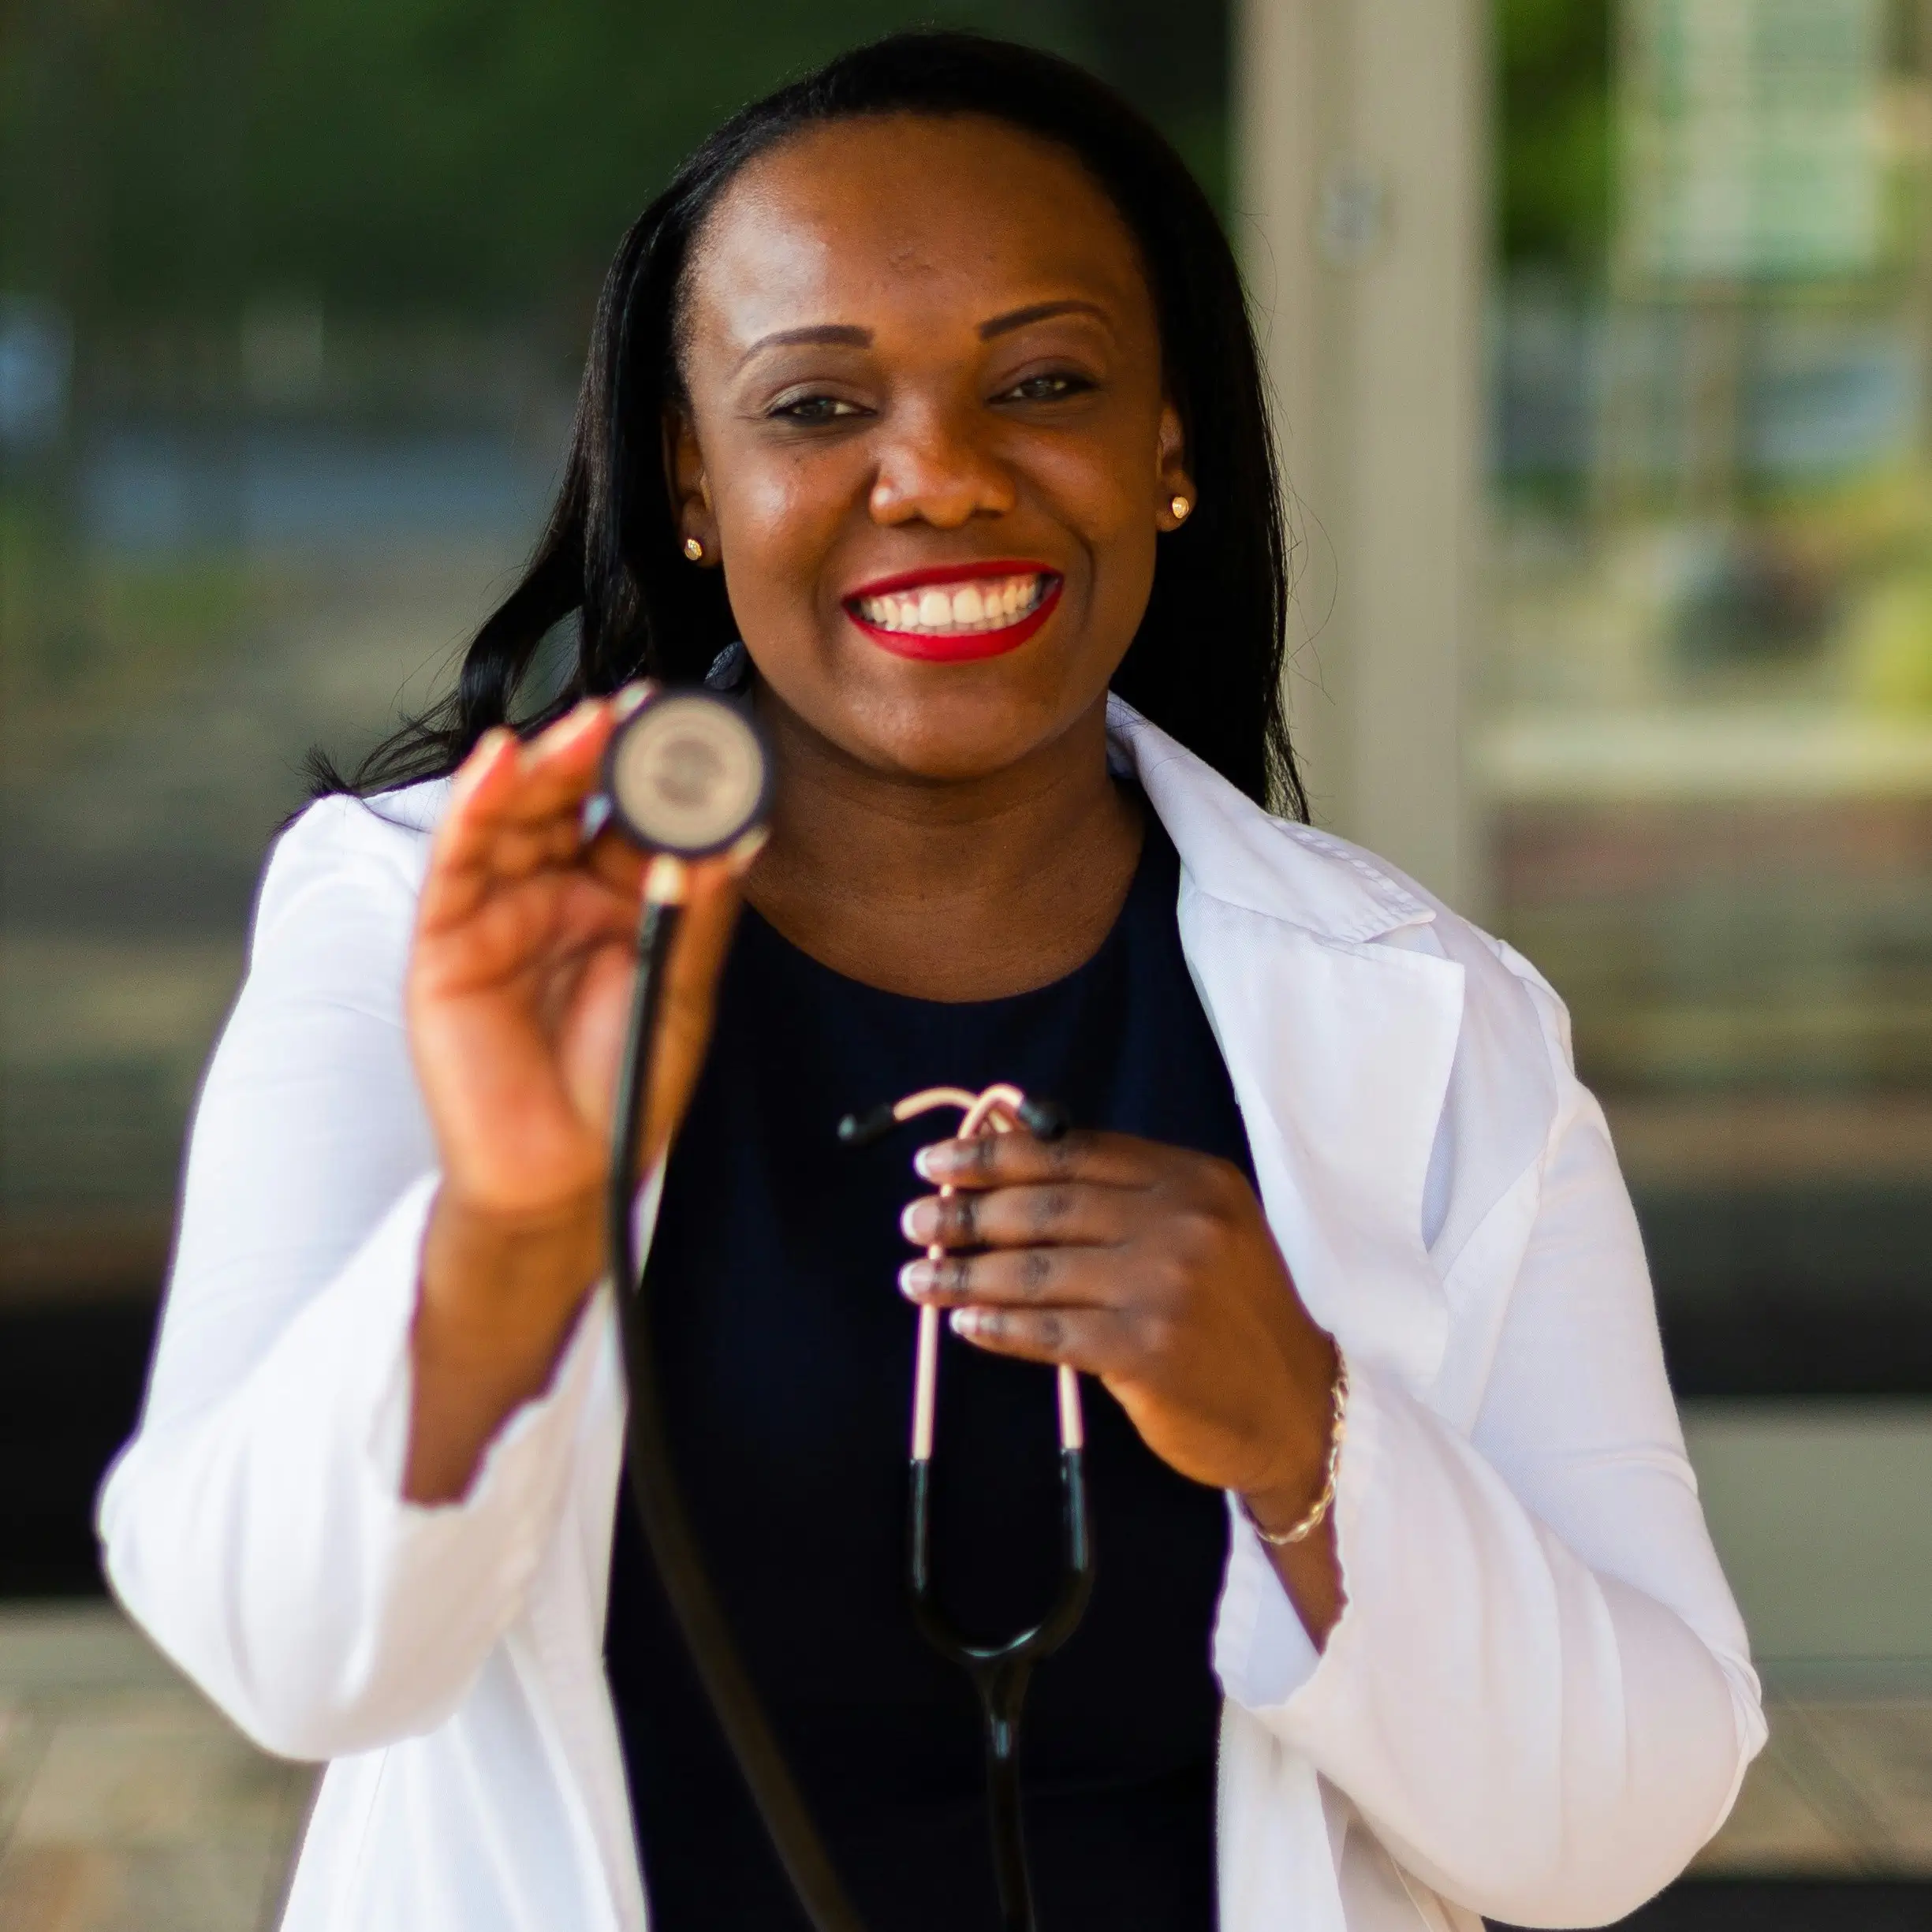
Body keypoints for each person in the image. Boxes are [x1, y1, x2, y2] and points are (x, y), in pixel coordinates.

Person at [98, 31, 1764, 1932]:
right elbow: (285, 1654)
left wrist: (1305, 1438)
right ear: (694, 481)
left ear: (1170, 449)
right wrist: (509, 1228)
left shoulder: (1439, 1023)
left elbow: (1615, 1823)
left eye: (1042, 382)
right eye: (815, 407)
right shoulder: (416, 924)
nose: (942, 477)